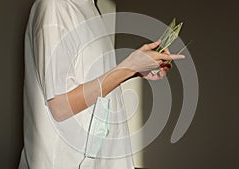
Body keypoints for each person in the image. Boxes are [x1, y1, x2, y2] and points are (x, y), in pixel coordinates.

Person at [18, 0, 185, 168]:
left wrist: (135, 70)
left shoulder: (90, 8)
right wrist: (129, 67)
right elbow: (60, 106)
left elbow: (95, 86)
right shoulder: (55, 7)